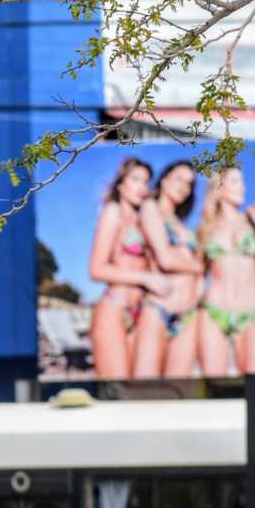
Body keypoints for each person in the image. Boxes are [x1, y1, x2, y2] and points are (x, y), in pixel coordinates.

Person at [86, 158, 172, 380]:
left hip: (140, 312)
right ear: (120, 184)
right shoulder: (113, 212)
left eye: (146, 182)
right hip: (114, 308)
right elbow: (96, 269)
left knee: (139, 390)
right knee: (117, 391)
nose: (141, 187)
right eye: (135, 179)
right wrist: (145, 278)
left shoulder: (143, 220)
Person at [197, 167, 255, 377]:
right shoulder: (206, 228)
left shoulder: (253, 224)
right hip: (213, 313)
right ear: (219, 188)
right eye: (234, 182)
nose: (242, 187)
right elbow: (197, 275)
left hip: (249, 315)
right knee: (215, 389)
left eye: (242, 181)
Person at [133, 160, 205, 379]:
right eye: (179, 179)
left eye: (189, 184)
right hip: (159, 309)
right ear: (164, 180)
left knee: (178, 391)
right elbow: (165, 259)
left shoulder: (182, 225)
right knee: (144, 388)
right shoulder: (150, 208)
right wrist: (198, 267)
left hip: (189, 315)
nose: (184, 186)